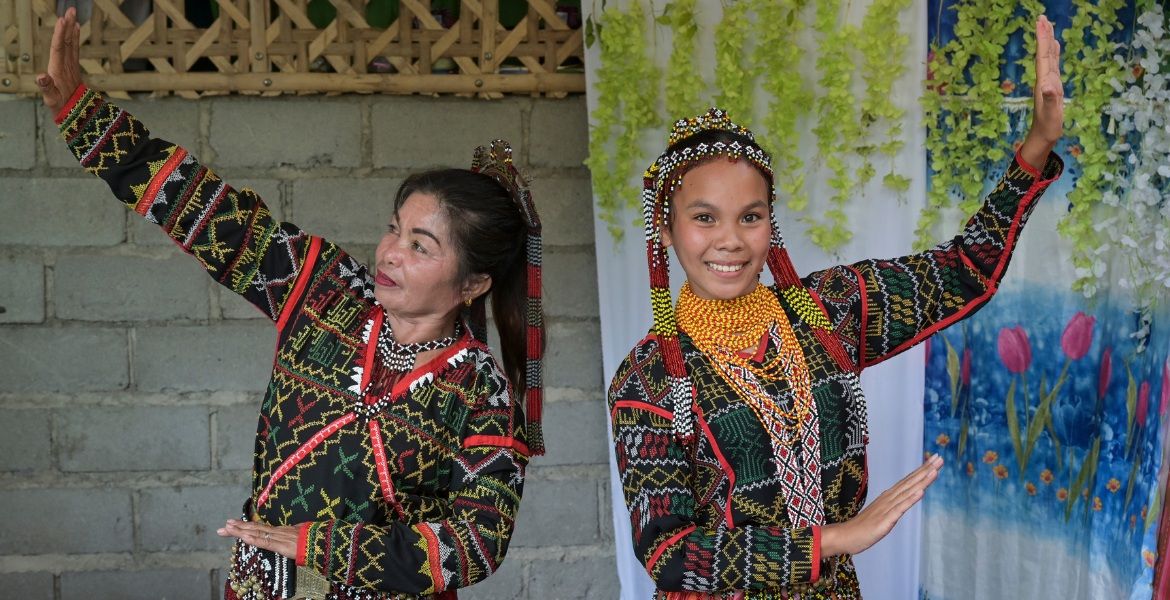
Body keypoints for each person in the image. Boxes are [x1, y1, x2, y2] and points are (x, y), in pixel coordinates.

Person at [37, 8, 545, 599]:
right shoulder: (325, 292)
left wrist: (318, 545)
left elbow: (476, 544)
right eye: (393, 228)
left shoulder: (480, 391)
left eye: (419, 245)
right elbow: (205, 213)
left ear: (473, 283)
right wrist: (83, 115)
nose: (389, 253)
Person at [607, 16, 1065, 599]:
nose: (730, 240)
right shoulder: (648, 377)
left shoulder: (826, 312)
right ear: (666, 231)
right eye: (704, 218)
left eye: (750, 216)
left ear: (771, 225)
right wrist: (835, 540)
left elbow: (963, 271)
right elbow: (670, 554)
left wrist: (1037, 146)